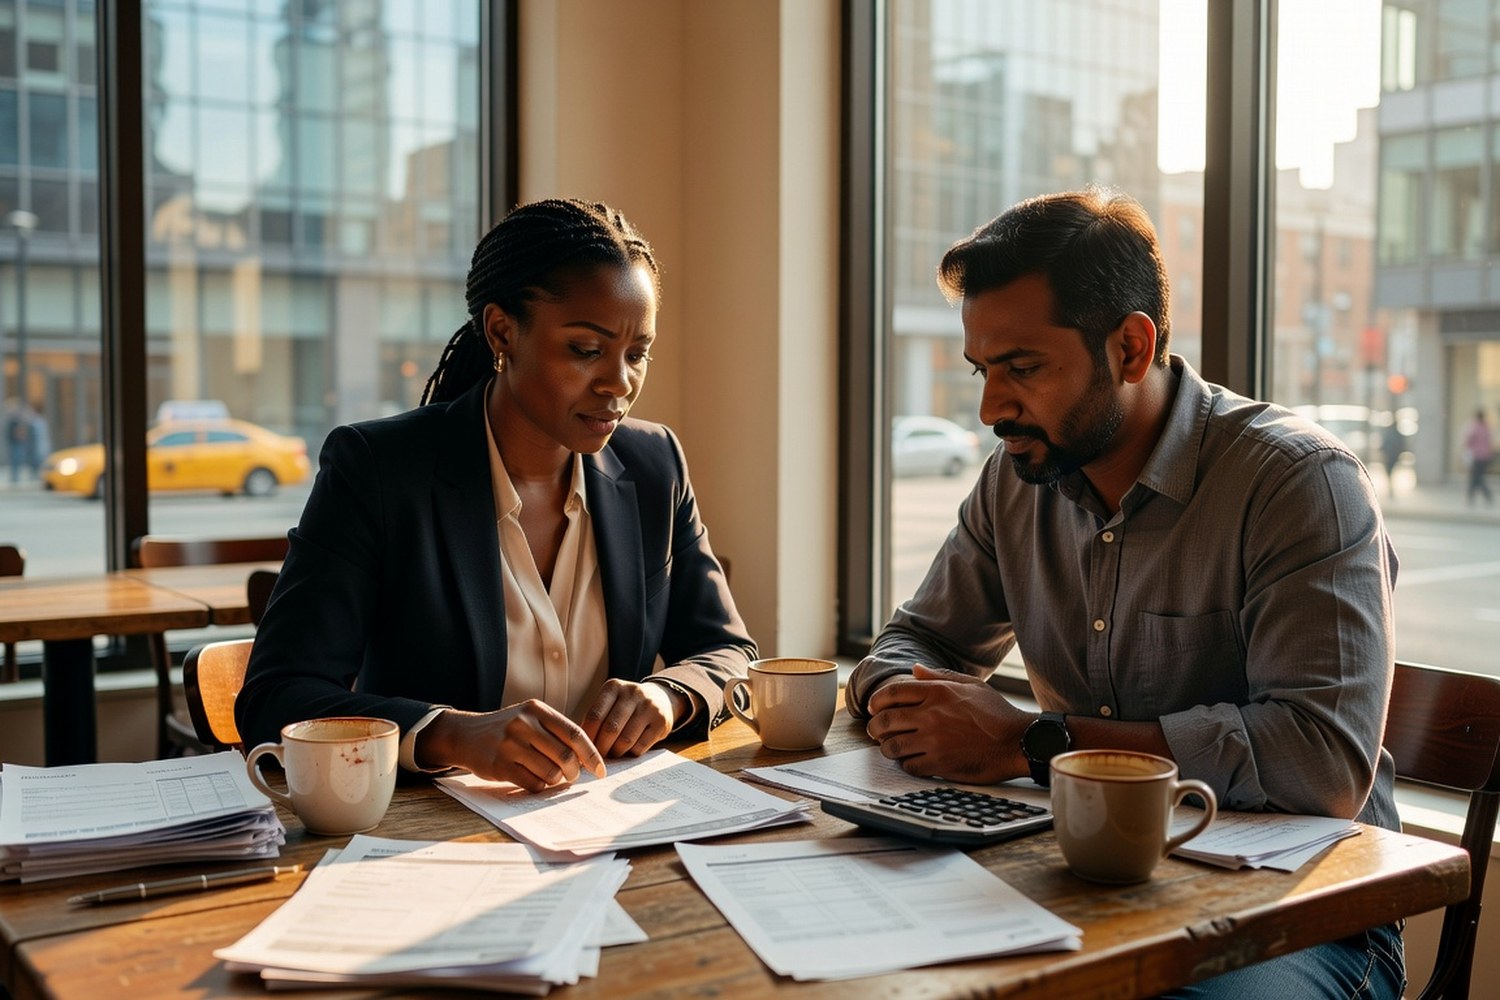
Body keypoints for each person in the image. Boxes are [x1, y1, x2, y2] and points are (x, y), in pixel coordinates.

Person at [845, 189, 1403, 998]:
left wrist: (1034, 743)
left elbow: (1321, 760)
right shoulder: (1019, 477)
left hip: (1300, 914)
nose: (991, 408)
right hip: (1084, 875)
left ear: (1130, 349)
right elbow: (916, 639)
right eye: (983, 371)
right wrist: (904, 696)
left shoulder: (1297, 484)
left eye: (1023, 369)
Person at [237, 198, 756, 791]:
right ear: (502, 331)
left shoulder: (655, 462)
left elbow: (727, 650)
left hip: (604, 831)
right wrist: (451, 733)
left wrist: (670, 696)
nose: (620, 382)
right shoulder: (379, 470)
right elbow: (276, 697)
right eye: (587, 350)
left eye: (637, 353)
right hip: (424, 835)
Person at [1463, 407, 1493, 506]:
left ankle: (1485, 495)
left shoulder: (1475, 427)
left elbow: (1468, 440)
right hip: (1485, 456)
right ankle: (1472, 496)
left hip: (1477, 456)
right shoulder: (1486, 427)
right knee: (1476, 477)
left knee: (1476, 477)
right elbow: (1489, 442)